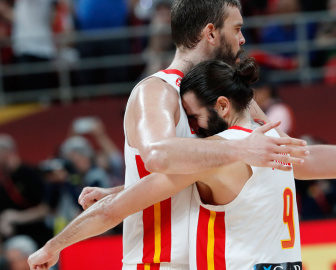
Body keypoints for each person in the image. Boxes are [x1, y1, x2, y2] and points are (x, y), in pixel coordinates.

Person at [27, 55, 336, 270]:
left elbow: (114, 213)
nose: (193, 128)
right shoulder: (275, 143)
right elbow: (326, 158)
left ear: (220, 105)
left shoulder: (221, 154)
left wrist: (52, 247)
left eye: (195, 116)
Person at [30, 1, 310, 270]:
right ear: (210, 32)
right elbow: (158, 157)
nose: (243, 39)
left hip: (212, 259)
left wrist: (124, 188)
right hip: (159, 261)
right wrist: (55, 245)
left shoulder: (228, 96)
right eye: (236, 28)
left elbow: (288, 155)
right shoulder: (156, 90)